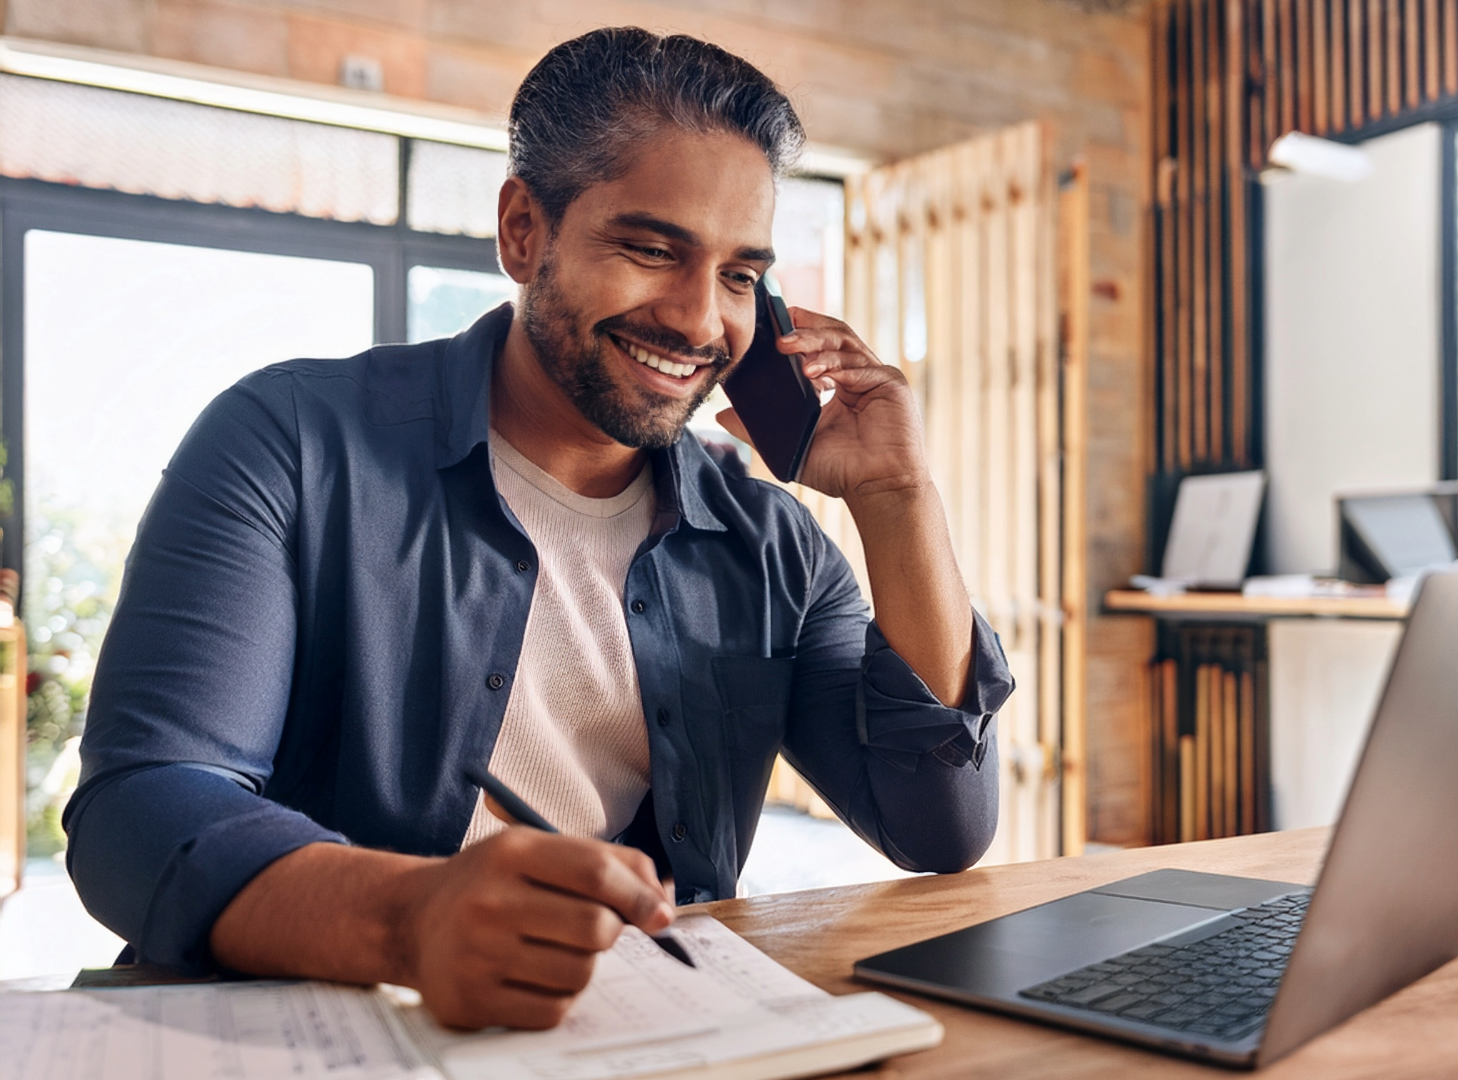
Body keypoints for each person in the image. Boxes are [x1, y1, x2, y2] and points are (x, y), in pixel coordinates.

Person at [63, 27, 1010, 1031]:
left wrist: (897, 497)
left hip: (639, 1035)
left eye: (739, 274)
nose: (699, 320)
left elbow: (938, 828)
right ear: (524, 229)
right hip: (322, 1032)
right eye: (652, 250)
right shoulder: (289, 443)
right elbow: (143, 807)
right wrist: (404, 918)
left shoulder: (770, 545)